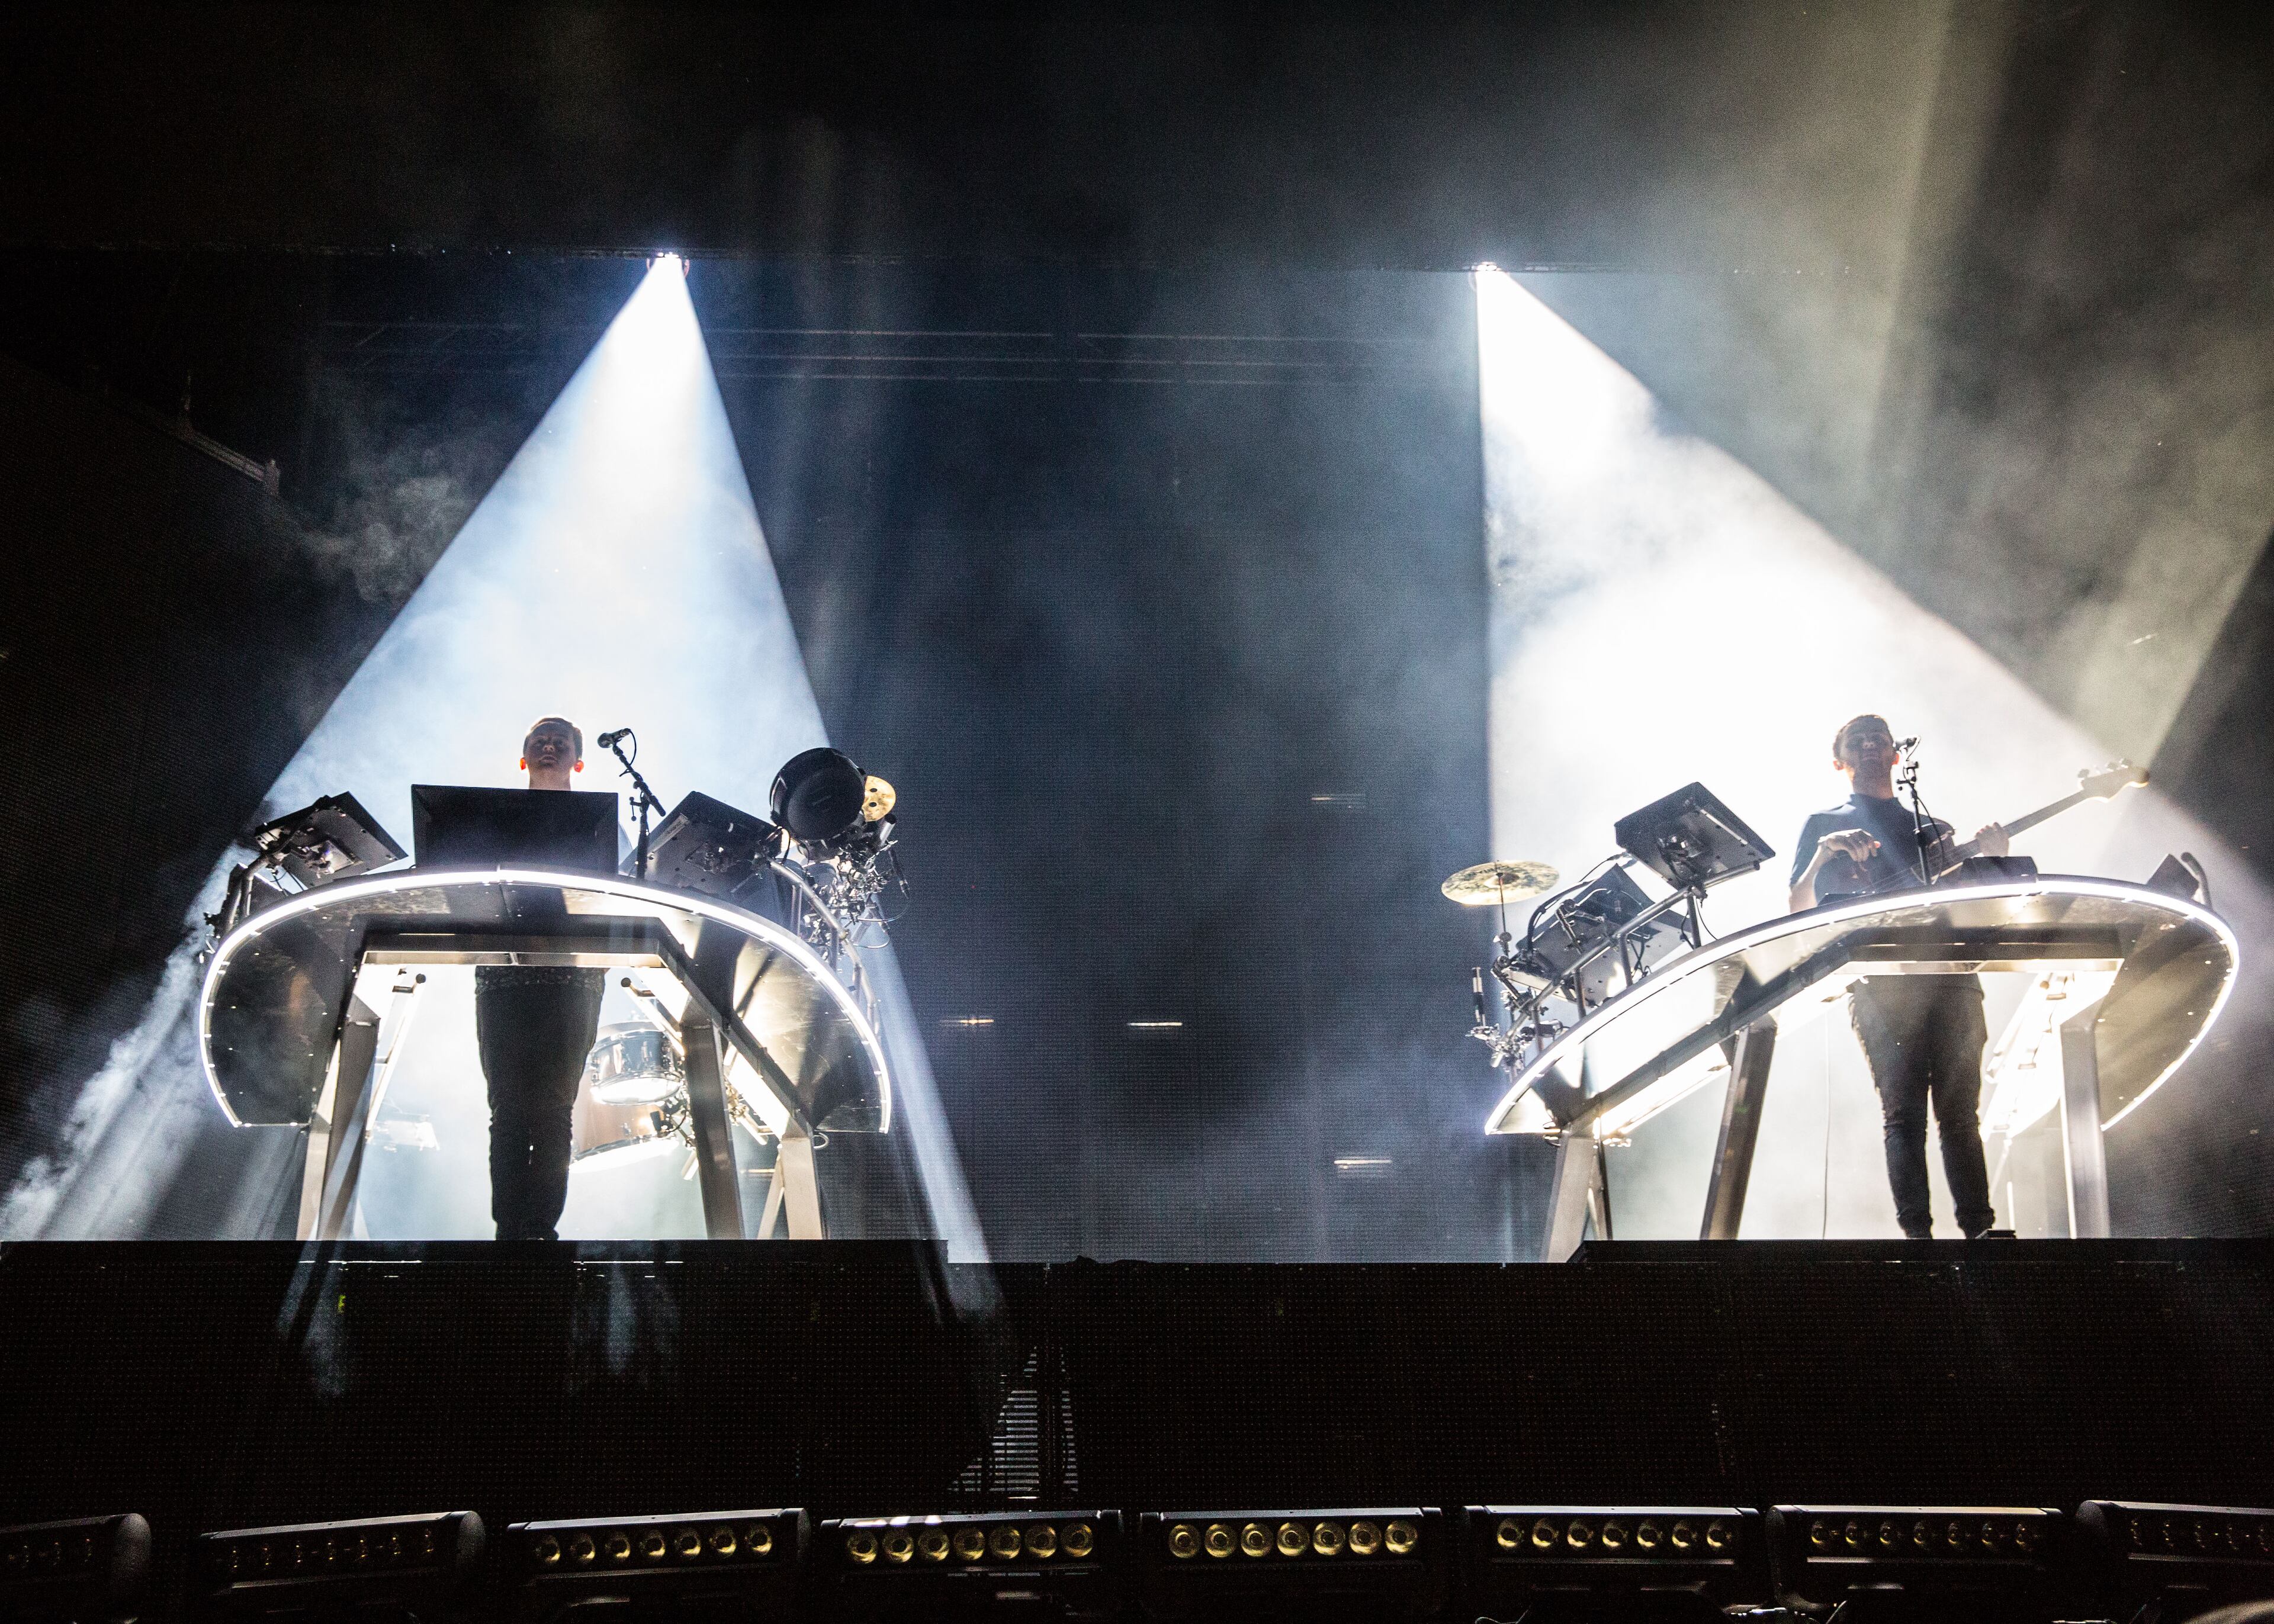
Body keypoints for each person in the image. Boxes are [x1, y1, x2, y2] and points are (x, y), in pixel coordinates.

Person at [1789, 715, 2008, 1240]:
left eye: (1879, 740)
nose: (1869, 746)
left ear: (1896, 754)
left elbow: (1980, 913)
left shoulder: (1933, 827)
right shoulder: (1824, 825)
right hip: (1881, 986)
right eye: (1857, 741)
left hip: (1951, 978)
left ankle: (1980, 1234)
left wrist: (1995, 861)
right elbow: (1798, 908)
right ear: (1839, 761)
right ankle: (1918, 1239)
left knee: (1961, 1114)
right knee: (1903, 1115)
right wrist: (1823, 853)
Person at [474, 716, 606, 1240]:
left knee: (554, 1109)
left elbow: (613, 891)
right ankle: (511, 1233)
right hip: (504, 970)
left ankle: (539, 1233)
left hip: (572, 976)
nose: (549, 747)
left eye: (560, 742)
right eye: (540, 741)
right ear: (524, 756)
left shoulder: (599, 825)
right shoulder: (492, 823)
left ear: (578, 760)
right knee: (508, 1108)